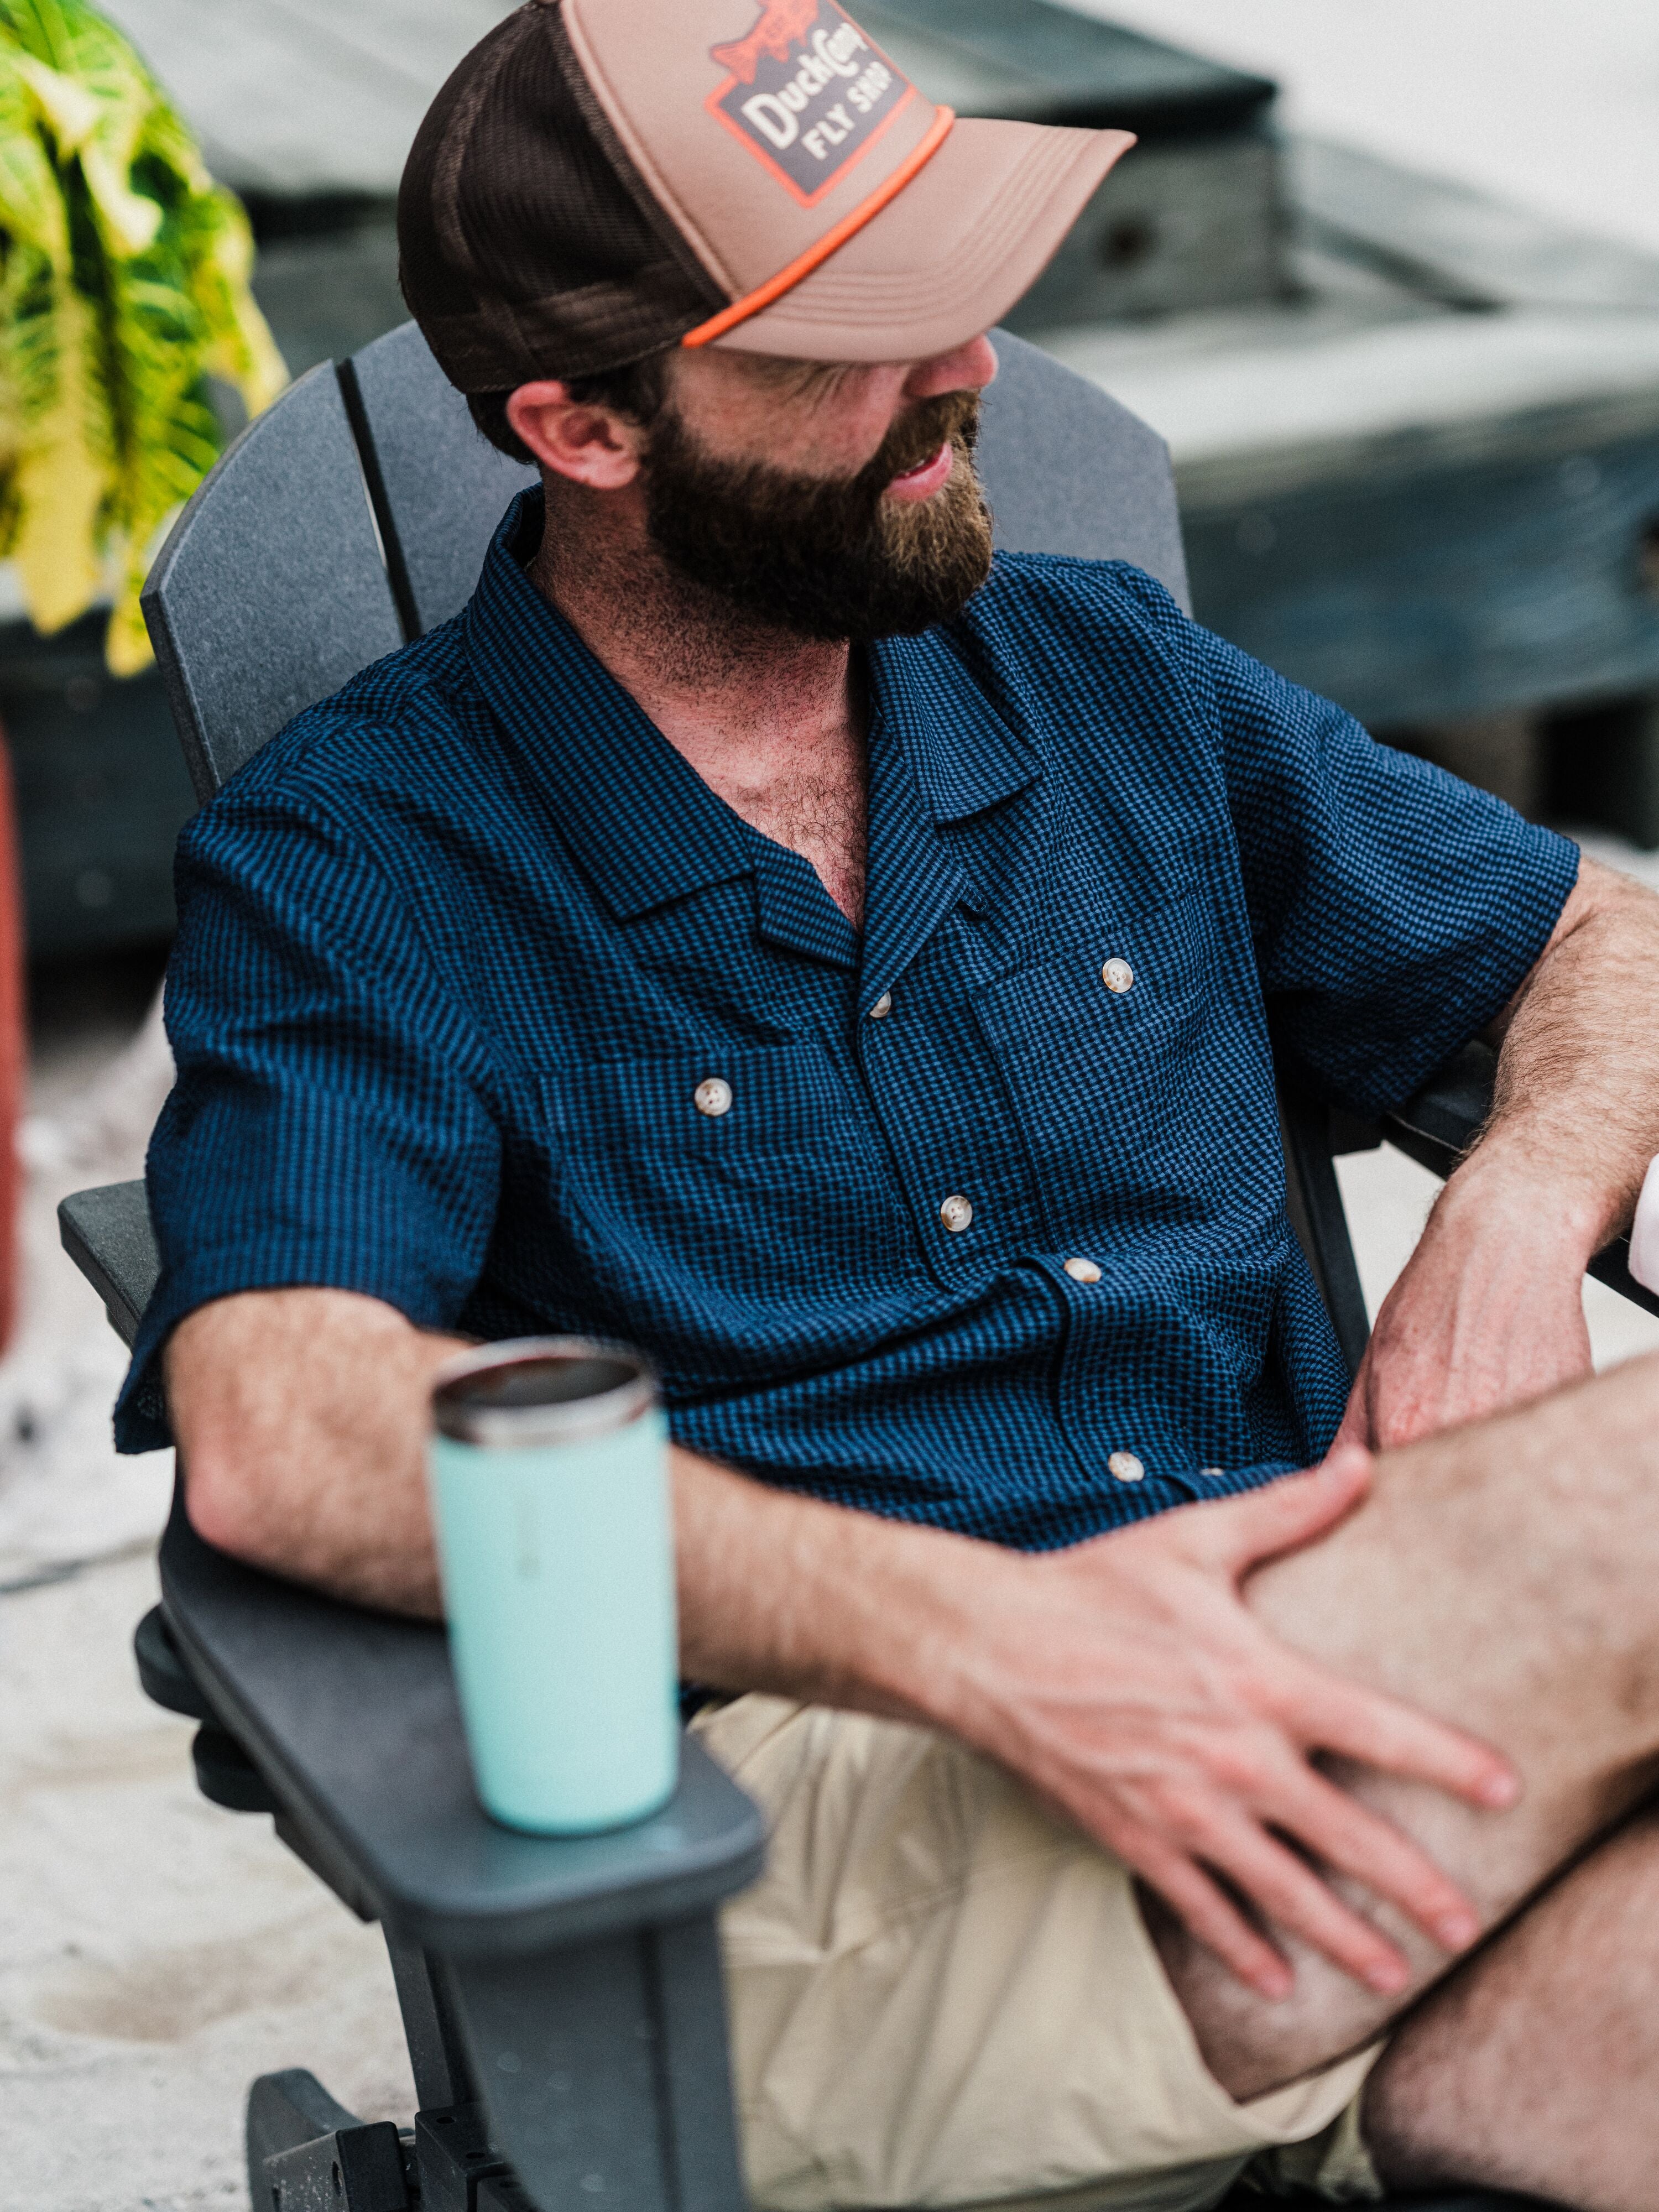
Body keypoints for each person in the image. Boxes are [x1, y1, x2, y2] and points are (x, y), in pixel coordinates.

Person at [119, 3, 1659, 2206]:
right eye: (858, 335)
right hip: (834, 1857)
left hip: (1332, 1733)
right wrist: (994, 1641)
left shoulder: (1104, 674)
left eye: (956, 285)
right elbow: (283, 1419)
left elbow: (1600, 935)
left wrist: (1507, 1222)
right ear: (583, 425)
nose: (970, 365)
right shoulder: (371, 863)